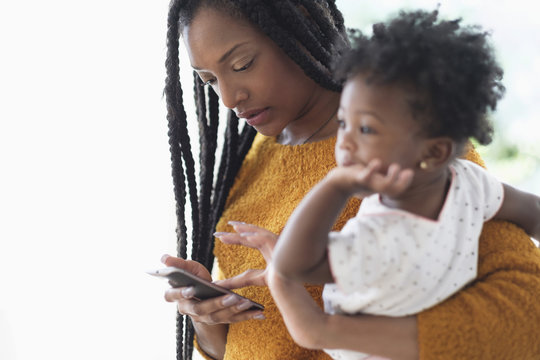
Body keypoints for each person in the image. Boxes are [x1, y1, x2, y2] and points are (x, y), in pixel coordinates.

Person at [160, 1, 540, 359]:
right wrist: (207, 321)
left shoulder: (405, 147)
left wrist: (328, 331)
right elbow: (256, 338)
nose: (228, 98)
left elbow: (525, 313)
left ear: (300, 28)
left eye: (242, 64)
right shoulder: (251, 156)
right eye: (209, 80)